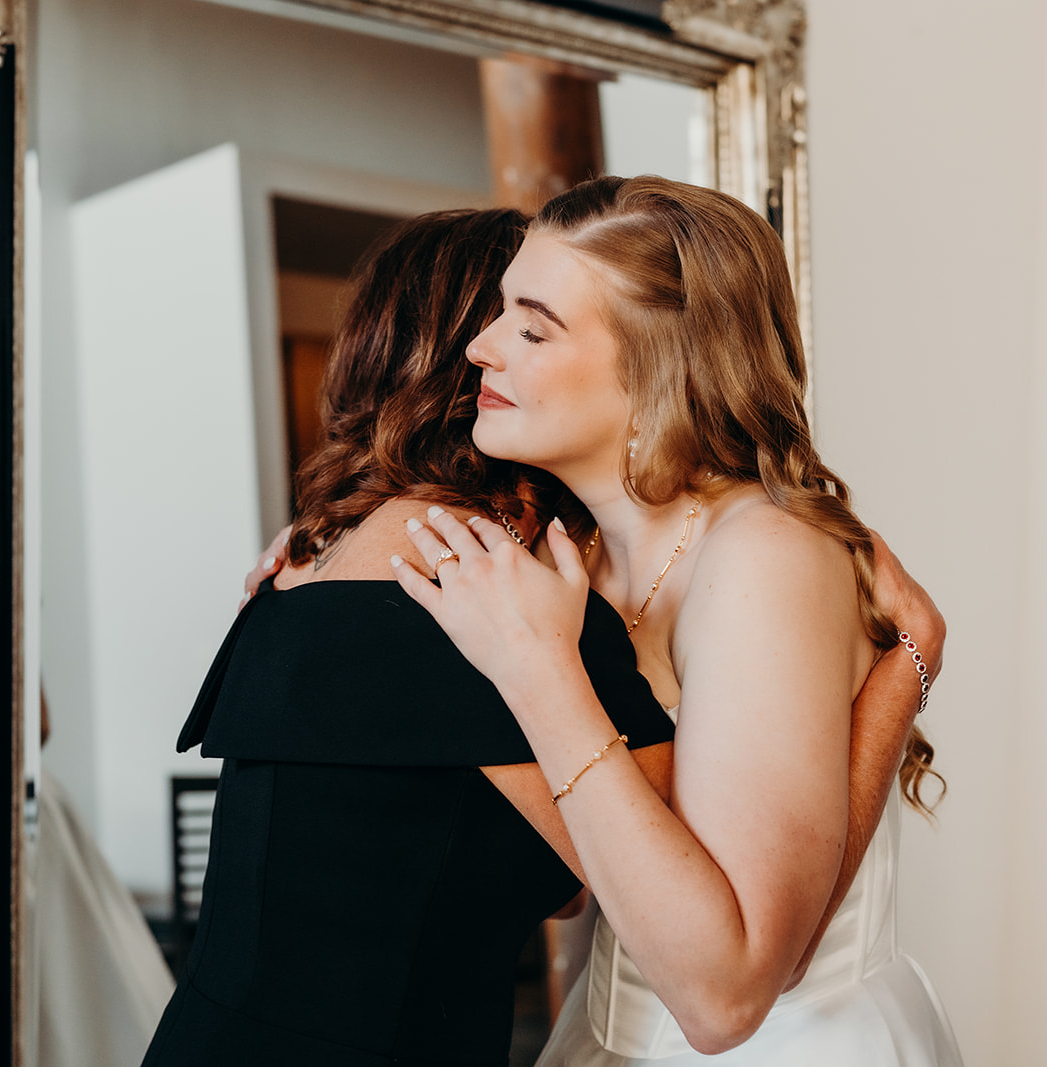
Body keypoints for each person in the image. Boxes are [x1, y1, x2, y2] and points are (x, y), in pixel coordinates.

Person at [388, 176, 963, 1065]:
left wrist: (540, 675)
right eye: (500, 312)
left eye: (532, 327)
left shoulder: (761, 555)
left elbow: (729, 997)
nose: (480, 347)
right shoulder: (564, 548)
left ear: (660, 366)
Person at [139, 207, 679, 1066]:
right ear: (474, 354)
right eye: (522, 323)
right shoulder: (476, 575)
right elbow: (661, 905)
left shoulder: (320, 557)